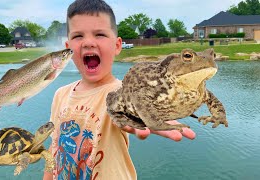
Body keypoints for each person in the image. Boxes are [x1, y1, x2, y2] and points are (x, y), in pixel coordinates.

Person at [43, 0, 196, 179]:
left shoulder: (122, 93)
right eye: (78, 36)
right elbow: (53, 147)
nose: (88, 42)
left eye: (99, 34)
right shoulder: (60, 94)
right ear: (68, 48)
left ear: (117, 45)